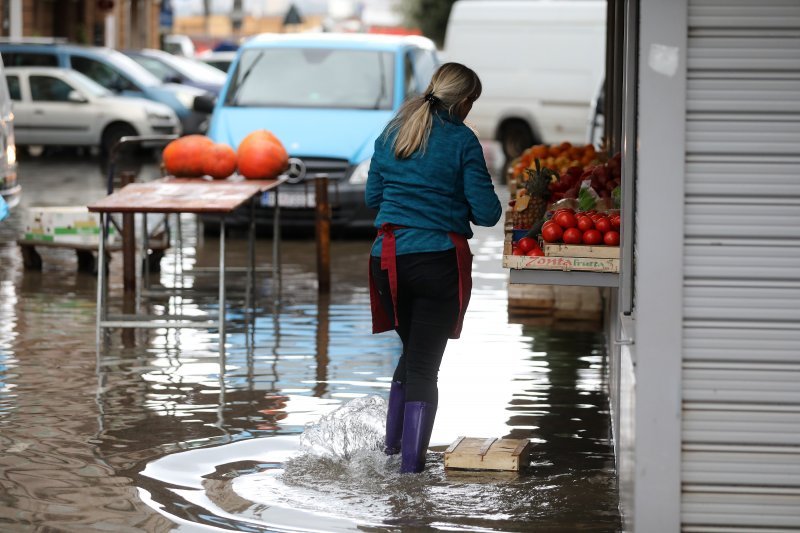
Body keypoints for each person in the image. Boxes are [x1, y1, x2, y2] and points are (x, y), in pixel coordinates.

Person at [366, 62, 502, 473]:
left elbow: (375, 197)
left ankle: (391, 456)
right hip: (436, 263)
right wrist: (451, 203)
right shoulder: (462, 140)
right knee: (425, 366)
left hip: (387, 261)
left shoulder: (393, 131)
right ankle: (410, 475)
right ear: (463, 102)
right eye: (471, 103)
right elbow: (488, 213)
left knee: (412, 355)